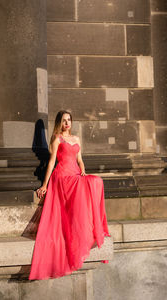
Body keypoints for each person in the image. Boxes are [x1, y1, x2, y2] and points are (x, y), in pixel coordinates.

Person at [29, 110, 111, 280]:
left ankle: (92, 227)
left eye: (69, 120)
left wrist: (82, 168)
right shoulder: (57, 139)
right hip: (62, 176)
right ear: (59, 122)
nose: (67, 123)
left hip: (75, 173)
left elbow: (79, 158)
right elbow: (52, 162)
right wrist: (44, 185)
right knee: (85, 186)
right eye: (64, 120)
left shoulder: (76, 139)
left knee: (96, 181)